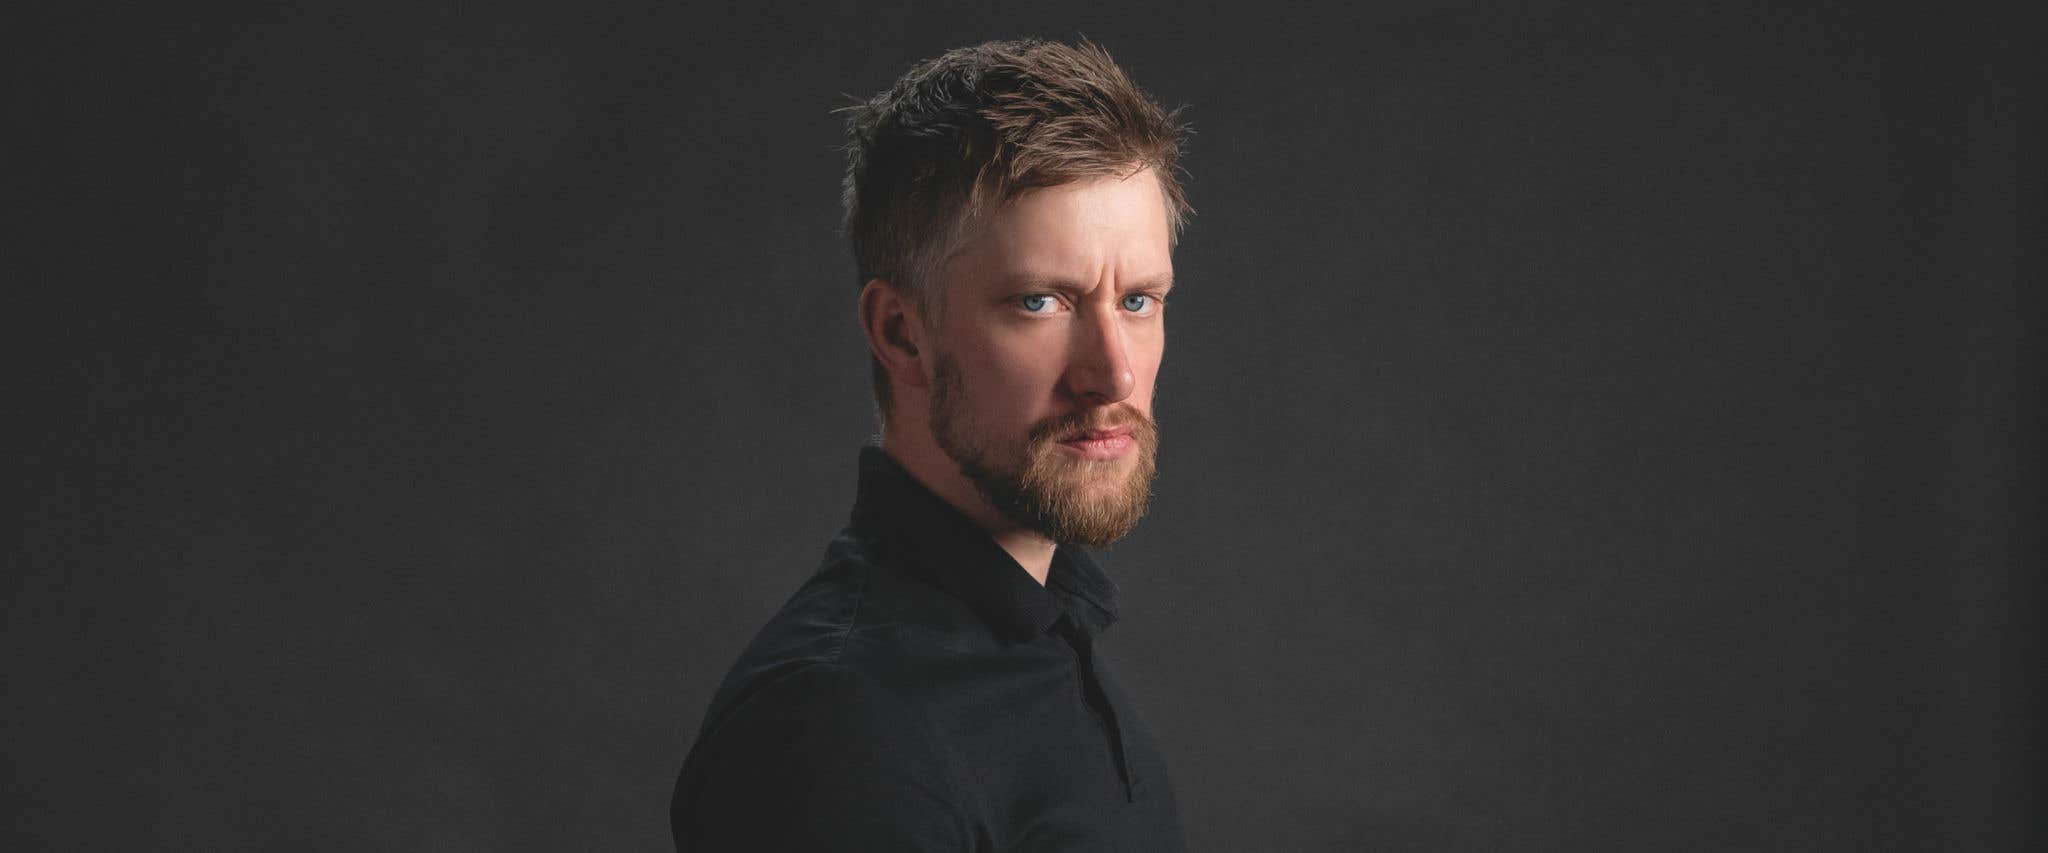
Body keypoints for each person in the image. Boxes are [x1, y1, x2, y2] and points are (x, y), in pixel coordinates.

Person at [670, 38, 1191, 851]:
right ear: (901, 333)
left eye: (1137, 299)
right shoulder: (836, 728)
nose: (1114, 373)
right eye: (1040, 300)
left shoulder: (1047, 636)